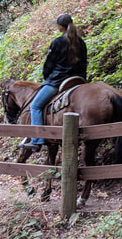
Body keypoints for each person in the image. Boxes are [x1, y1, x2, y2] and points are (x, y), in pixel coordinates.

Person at [21, 13, 88, 152]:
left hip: (58, 81)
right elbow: (84, 64)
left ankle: (37, 140)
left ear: (60, 27)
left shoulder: (57, 42)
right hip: (78, 80)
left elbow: (49, 65)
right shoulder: (81, 42)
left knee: (35, 106)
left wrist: (47, 77)